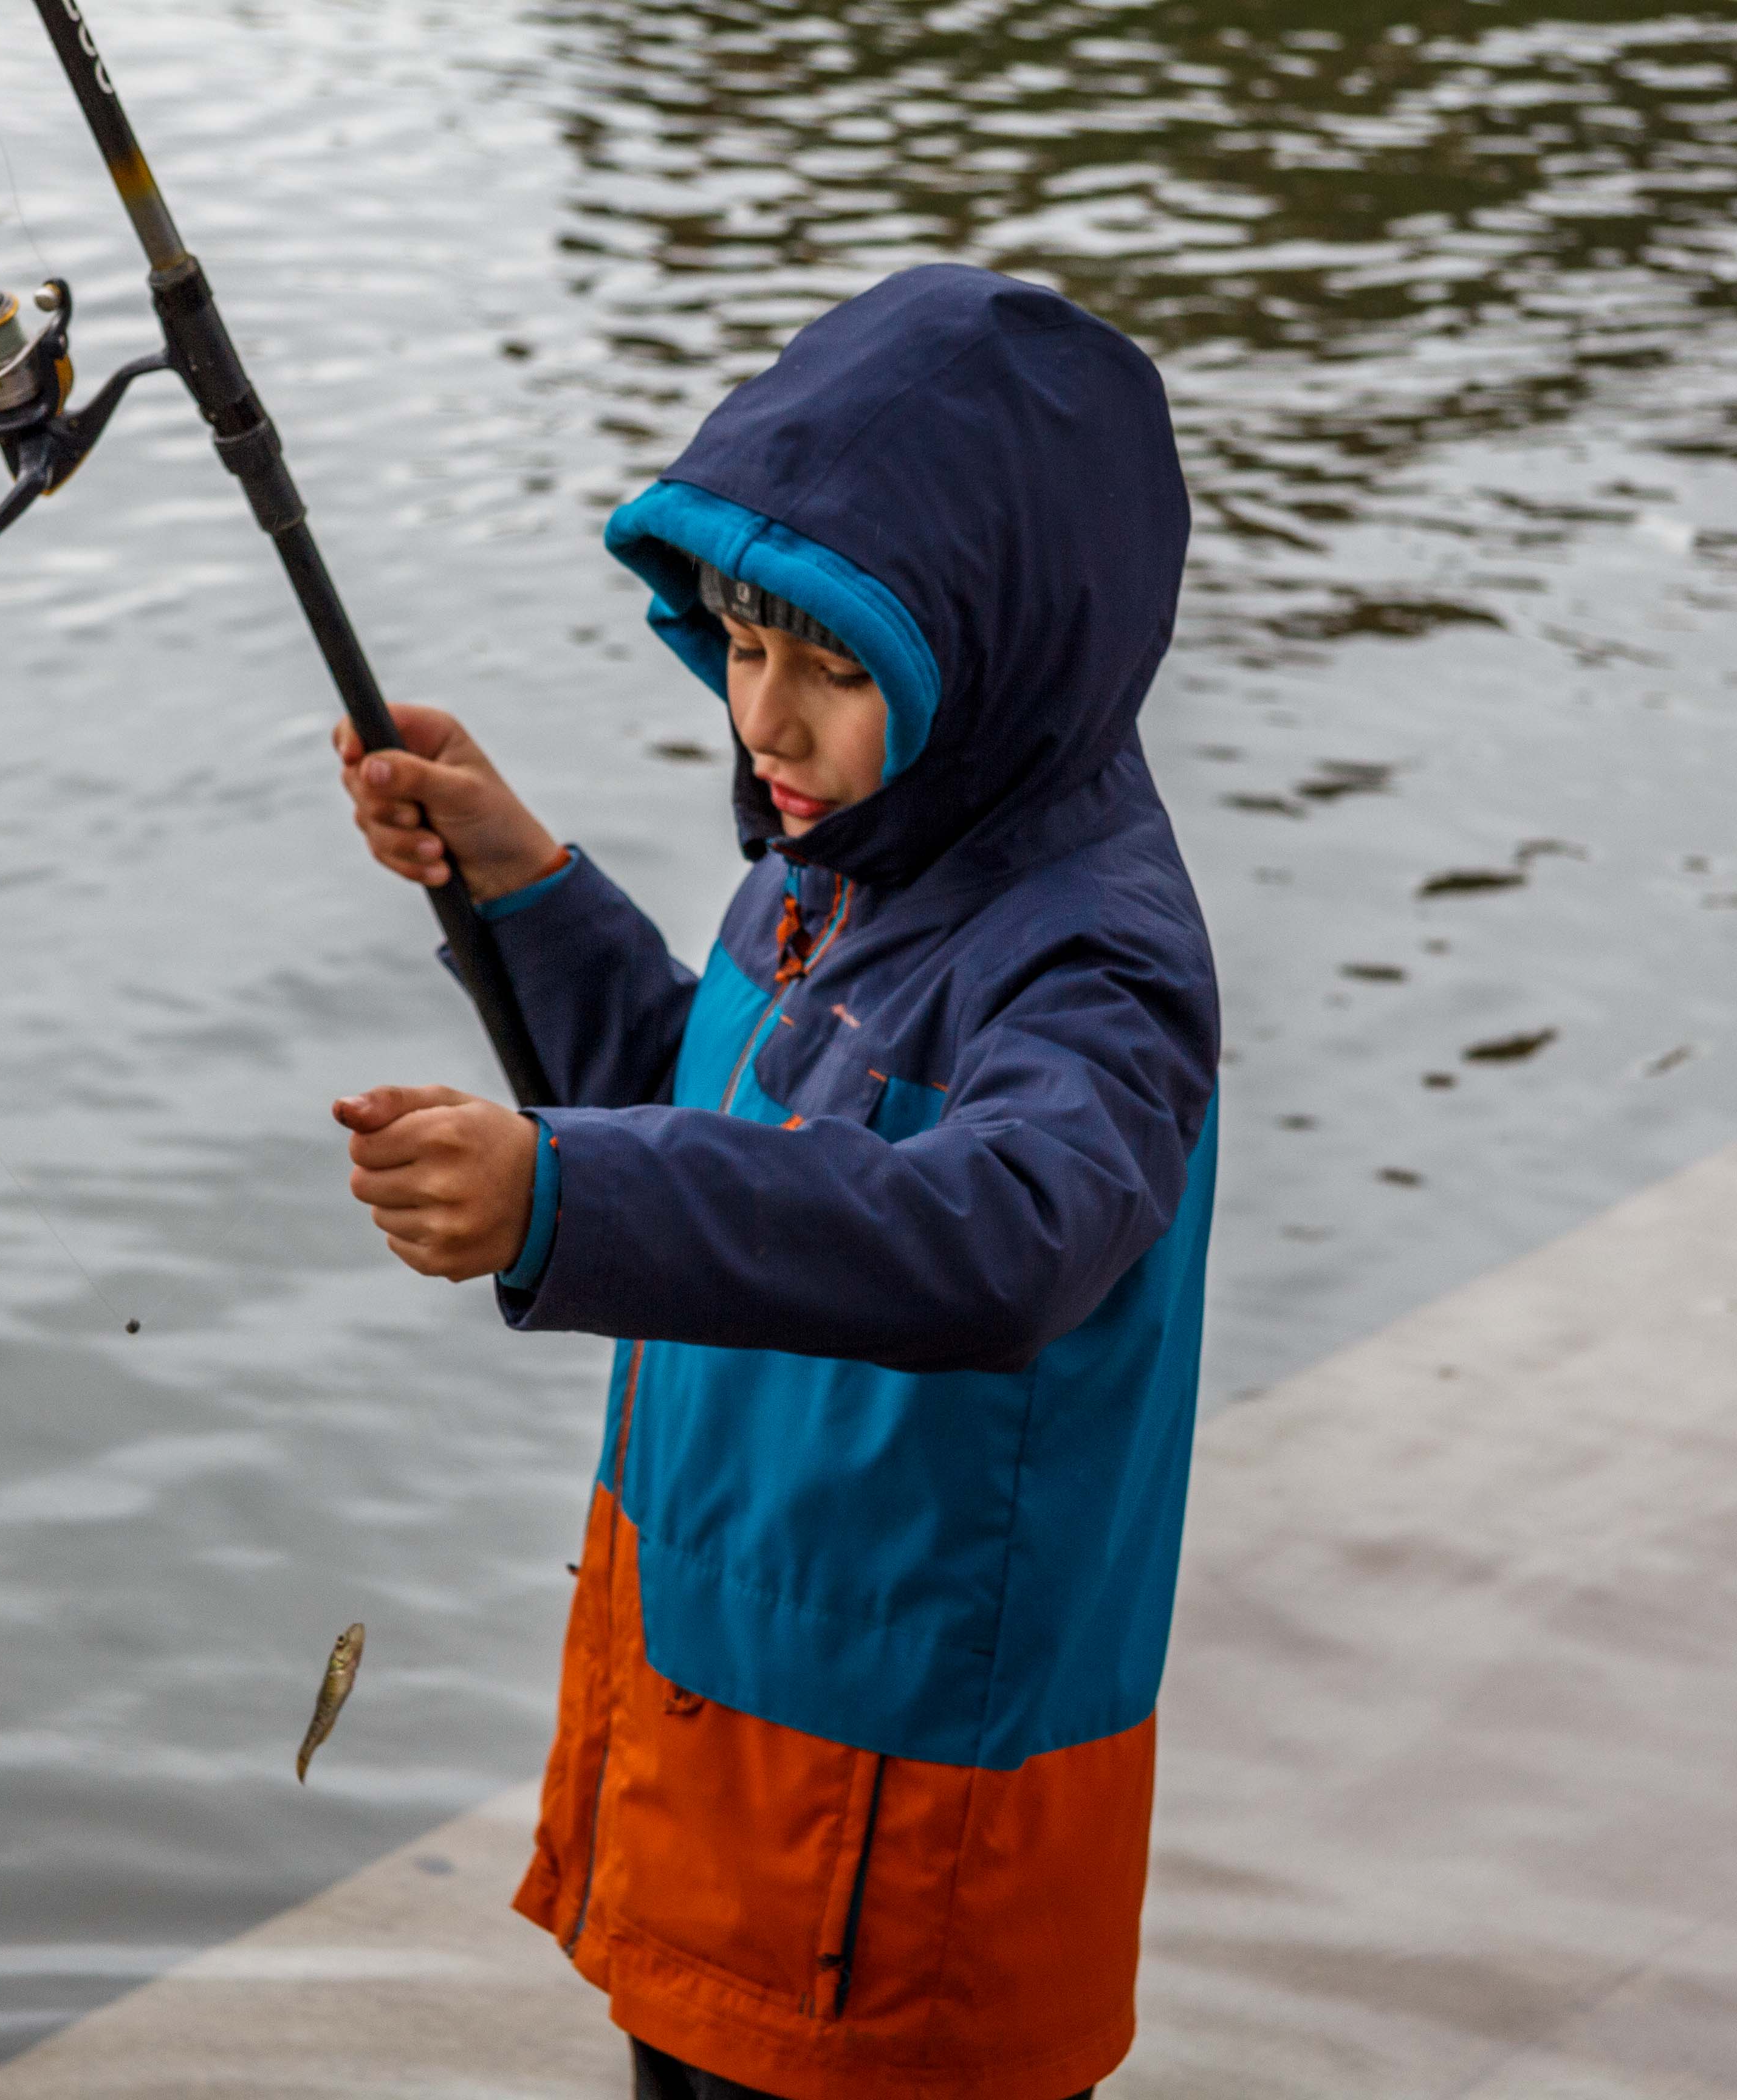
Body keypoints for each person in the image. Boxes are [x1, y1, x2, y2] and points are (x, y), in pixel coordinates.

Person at [326, 264, 1216, 2100]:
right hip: (710, 1722)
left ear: (1000, 656)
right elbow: (719, 1125)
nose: (768, 723)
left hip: (898, 1822)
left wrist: (556, 1197)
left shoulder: (1096, 962)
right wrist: (519, 889)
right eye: (745, 644)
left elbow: (1003, 1241)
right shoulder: (842, 861)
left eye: (837, 669)